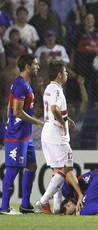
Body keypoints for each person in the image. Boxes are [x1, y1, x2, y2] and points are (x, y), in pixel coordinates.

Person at [35, 60, 83, 215]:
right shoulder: (56, 90)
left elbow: (52, 109)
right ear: (59, 75)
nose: (67, 73)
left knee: (57, 170)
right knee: (68, 165)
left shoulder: (49, 88)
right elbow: (54, 108)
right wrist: (63, 123)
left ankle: (56, 208)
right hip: (56, 133)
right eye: (65, 71)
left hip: (48, 130)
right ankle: (43, 201)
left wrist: (66, 119)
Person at [0, 53, 43, 215]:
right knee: (13, 168)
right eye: (35, 64)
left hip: (25, 135)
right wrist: (37, 122)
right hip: (17, 136)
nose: (37, 67)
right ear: (27, 67)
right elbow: (17, 112)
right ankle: (4, 207)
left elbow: (9, 108)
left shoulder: (25, 84)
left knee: (31, 166)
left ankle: (25, 204)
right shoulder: (20, 85)